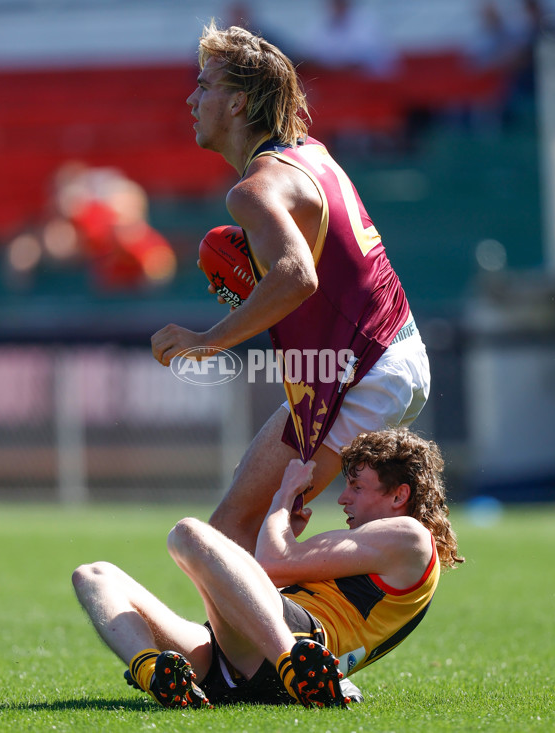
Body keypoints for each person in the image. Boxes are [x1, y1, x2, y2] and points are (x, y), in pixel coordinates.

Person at [151, 22, 431, 552]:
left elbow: (298, 277)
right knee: (245, 521)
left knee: (237, 528)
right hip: (376, 360)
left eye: (205, 85)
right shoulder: (312, 155)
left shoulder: (253, 190)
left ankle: (291, 635)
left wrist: (206, 340)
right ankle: (262, 633)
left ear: (237, 104)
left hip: (364, 371)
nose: (192, 98)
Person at [72, 428, 463, 709]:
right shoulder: (388, 546)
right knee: (92, 575)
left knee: (188, 534)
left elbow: (271, 565)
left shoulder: (409, 534)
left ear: (400, 494)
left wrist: (283, 495)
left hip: (300, 646)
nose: (343, 498)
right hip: (237, 656)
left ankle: (297, 671)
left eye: (357, 486)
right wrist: (286, 533)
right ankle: (155, 674)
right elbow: (270, 572)